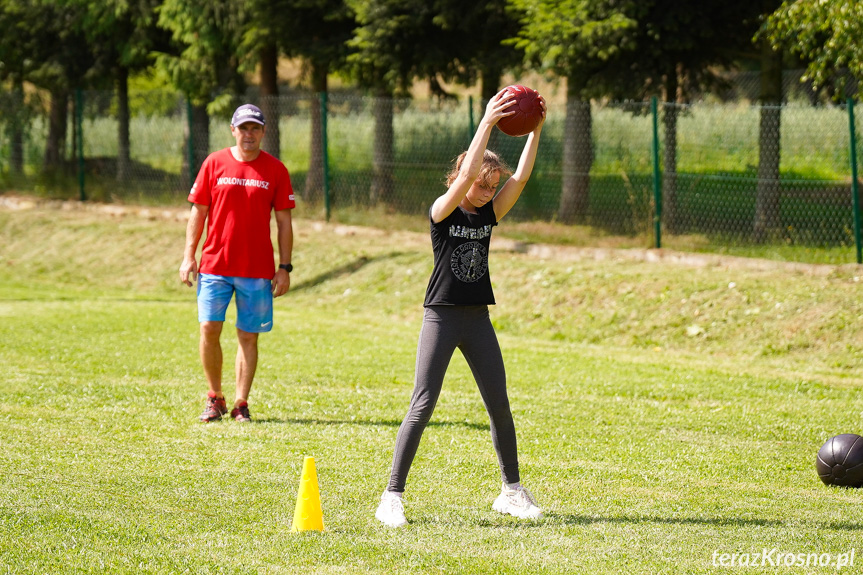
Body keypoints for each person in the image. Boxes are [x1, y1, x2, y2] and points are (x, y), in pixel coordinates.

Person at [375, 88, 546, 527]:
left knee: (498, 404)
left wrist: (536, 129)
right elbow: (469, 170)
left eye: (492, 185)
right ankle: (392, 496)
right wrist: (487, 122)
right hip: (442, 316)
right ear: (460, 178)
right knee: (423, 402)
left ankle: (511, 490)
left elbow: (520, 179)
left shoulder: (490, 214)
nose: (488, 191)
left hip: (478, 319)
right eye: (481, 184)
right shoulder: (442, 212)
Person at [179, 103, 295, 423]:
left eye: (254, 128)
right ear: (233, 130)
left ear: (263, 132)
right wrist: (189, 255)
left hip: (257, 270)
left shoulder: (275, 170)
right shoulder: (214, 163)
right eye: (243, 128)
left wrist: (284, 267)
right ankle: (214, 397)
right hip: (215, 264)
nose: (249, 134)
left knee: (248, 336)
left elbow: (284, 223)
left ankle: (241, 403)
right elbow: (198, 212)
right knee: (208, 328)